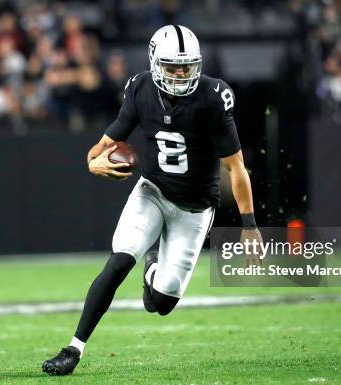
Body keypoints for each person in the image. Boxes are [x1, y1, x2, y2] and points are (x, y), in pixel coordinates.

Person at [42, 25, 262, 376]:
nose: (180, 74)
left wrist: (249, 226)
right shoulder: (140, 87)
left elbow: (236, 168)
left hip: (194, 208)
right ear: (154, 63)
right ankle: (73, 348)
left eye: (186, 67)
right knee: (118, 262)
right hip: (153, 192)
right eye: (172, 66)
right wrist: (93, 162)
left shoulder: (213, 97)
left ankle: (154, 264)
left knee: (161, 303)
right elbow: (101, 147)